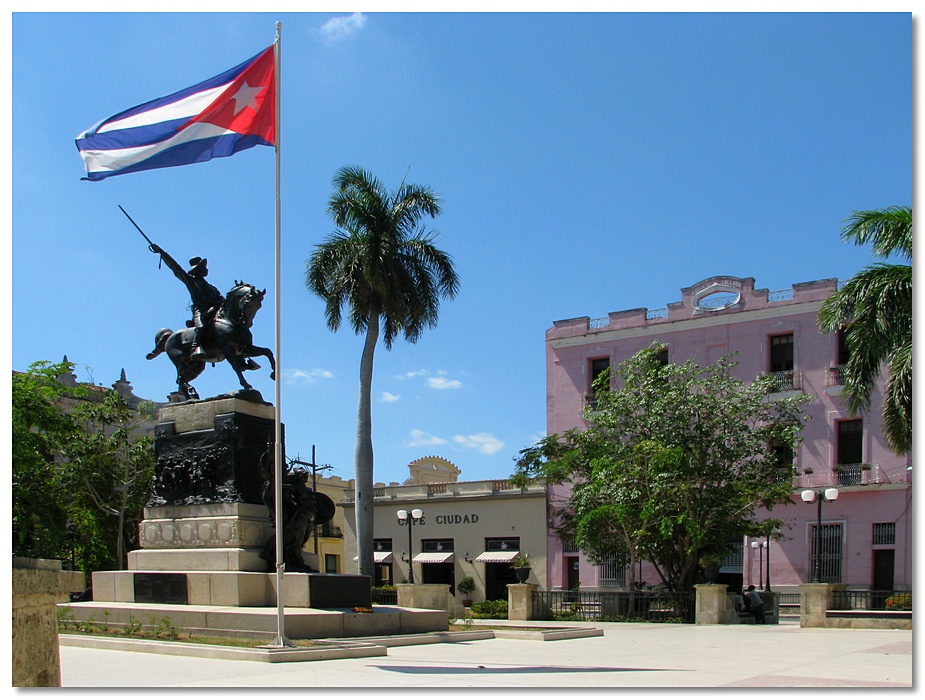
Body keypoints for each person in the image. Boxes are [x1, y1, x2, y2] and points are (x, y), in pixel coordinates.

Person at [150, 244, 224, 358]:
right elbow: (176, 268)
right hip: (201, 310)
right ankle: (196, 349)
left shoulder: (212, 287)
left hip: (215, 311)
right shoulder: (191, 282)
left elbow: (222, 299)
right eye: (204, 267)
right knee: (201, 327)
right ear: (199, 270)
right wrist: (162, 253)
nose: (207, 269)